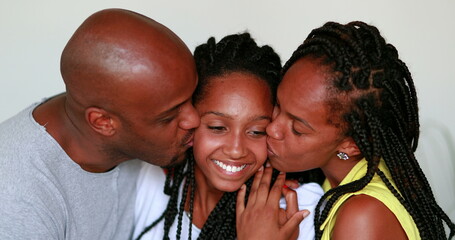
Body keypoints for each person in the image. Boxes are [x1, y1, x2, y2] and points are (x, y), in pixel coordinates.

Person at [237, 21, 455, 239]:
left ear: (351, 145)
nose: (273, 128)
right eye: (278, 105)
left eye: (297, 129)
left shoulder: (363, 216)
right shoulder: (342, 181)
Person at [0, 8, 200, 240]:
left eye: (193, 97)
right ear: (103, 123)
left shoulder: (116, 104)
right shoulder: (17, 202)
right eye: (168, 117)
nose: (194, 118)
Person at [133, 33, 324, 240]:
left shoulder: (299, 207)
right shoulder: (153, 181)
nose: (236, 149)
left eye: (256, 131)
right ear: (191, 121)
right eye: (217, 128)